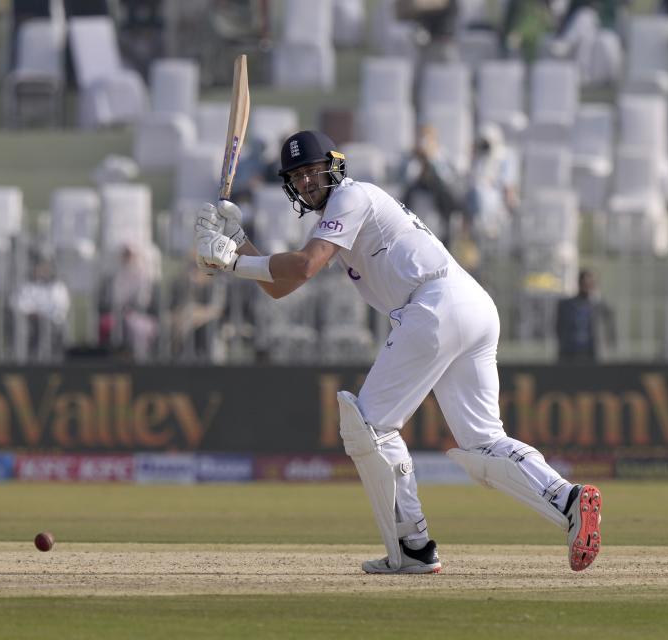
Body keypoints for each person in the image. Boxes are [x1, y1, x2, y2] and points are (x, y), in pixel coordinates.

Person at [194, 130, 602, 574]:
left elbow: (305, 267)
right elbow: (281, 287)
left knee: (368, 427)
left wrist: (231, 260)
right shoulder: (339, 214)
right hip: (471, 304)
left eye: (313, 171)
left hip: (434, 305)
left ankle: (413, 547)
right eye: (298, 176)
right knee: (482, 442)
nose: (308, 182)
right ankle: (569, 501)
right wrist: (237, 241)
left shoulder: (352, 197)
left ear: (334, 166)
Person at [555, 269, 615, 363]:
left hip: (591, 353)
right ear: (579, 283)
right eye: (584, 283)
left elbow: (609, 323)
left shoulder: (599, 305)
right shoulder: (566, 305)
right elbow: (558, 327)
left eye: (590, 283)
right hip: (569, 354)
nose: (587, 286)